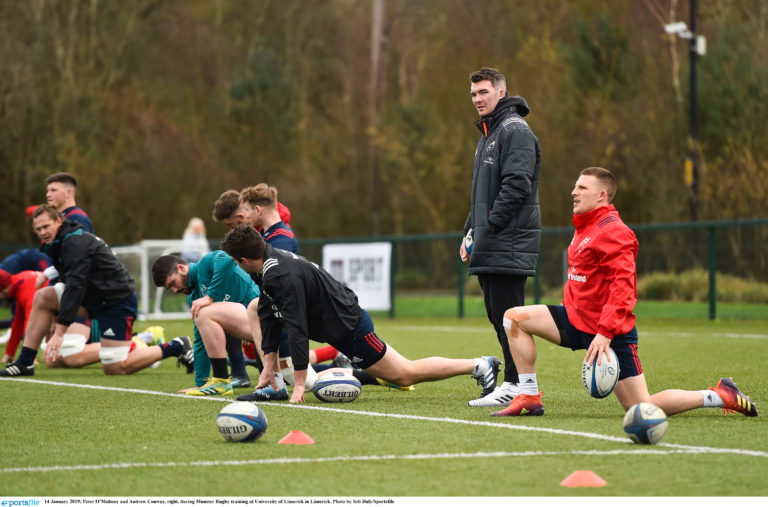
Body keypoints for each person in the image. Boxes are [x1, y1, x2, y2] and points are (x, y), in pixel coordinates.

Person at [492, 167, 758, 418]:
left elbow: (624, 289)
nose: (574, 192)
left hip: (610, 332)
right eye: (575, 186)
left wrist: (605, 333)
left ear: (601, 195)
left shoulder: (614, 231)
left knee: (641, 407)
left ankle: (720, 395)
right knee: (513, 318)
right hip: (576, 320)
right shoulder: (585, 226)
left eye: (582, 187)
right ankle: (528, 396)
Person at [220, 224, 500, 404]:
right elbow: (269, 315)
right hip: (335, 324)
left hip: (350, 327)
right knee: (256, 307)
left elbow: (298, 329)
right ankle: (274, 382)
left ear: (243, 259)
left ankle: (480, 364)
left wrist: (300, 387)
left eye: (235, 262)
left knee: (404, 374)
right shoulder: (266, 266)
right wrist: (268, 367)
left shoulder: (279, 273)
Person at [0, 205, 194, 377]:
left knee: (115, 368)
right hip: (92, 298)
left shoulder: (73, 242)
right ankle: (25, 362)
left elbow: (75, 286)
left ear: (59, 221)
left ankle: (176, 346)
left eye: (46, 226)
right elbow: (74, 276)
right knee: (43, 297)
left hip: (116, 303)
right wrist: (48, 274)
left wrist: (59, 332)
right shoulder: (60, 241)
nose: (42, 232)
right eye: (38, 229)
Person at [460, 67, 542, 407]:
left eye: (484, 92)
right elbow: (482, 195)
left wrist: (489, 226)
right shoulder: (488, 134)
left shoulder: (514, 130)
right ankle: (512, 383)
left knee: (510, 316)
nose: (478, 99)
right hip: (491, 240)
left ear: (501, 92)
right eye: (474, 94)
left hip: (508, 240)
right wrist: (469, 232)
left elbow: (517, 184)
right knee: (498, 314)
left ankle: (518, 384)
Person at [151, 252, 261, 396]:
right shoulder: (195, 298)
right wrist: (201, 385)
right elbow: (200, 341)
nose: (175, 290)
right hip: (253, 332)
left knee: (206, 312)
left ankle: (226, 379)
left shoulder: (205, 264)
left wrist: (210, 296)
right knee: (210, 317)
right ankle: (237, 376)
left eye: (173, 283)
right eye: (170, 288)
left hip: (265, 321)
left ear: (181, 268)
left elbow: (226, 259)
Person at [212, 189, 291, 231]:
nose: (230, 229)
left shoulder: (277, 233)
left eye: (230, 224)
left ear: (240, 217)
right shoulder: (257, 230)